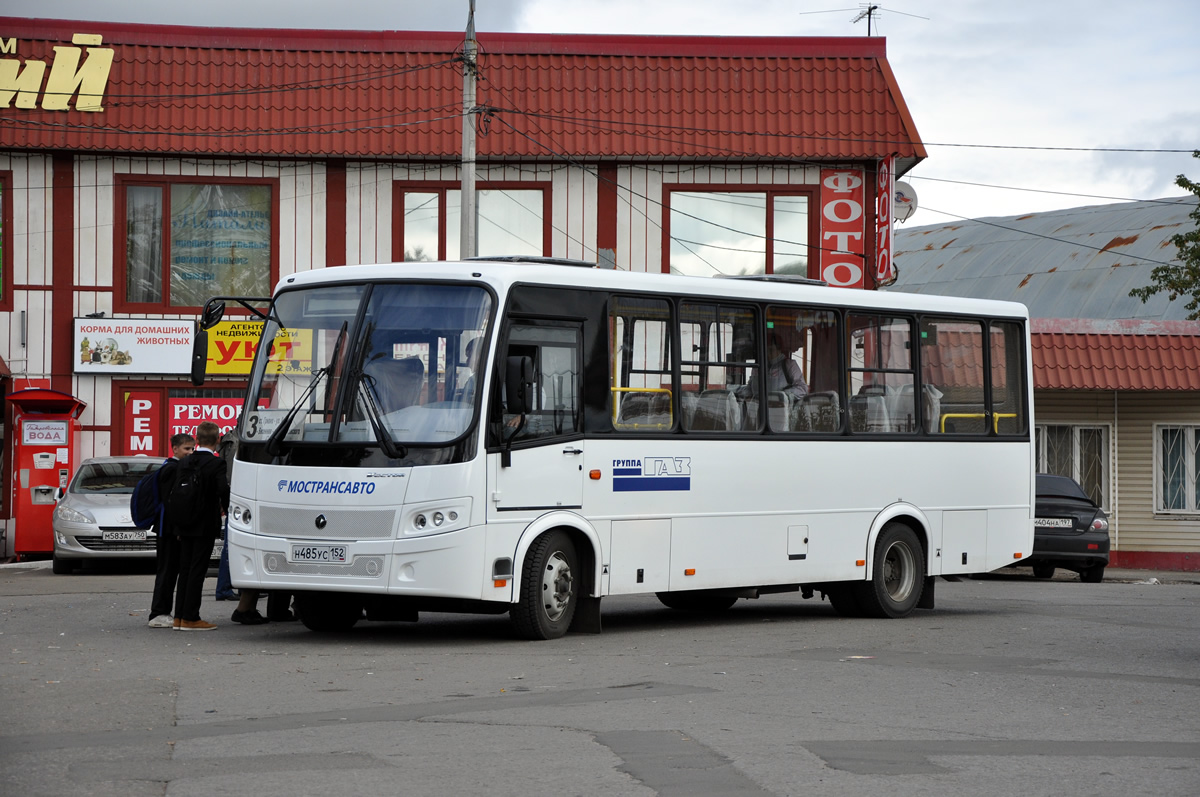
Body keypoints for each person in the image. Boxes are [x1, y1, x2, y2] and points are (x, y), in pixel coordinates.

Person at [220, 428, 295, 625]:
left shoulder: (256, 453)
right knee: (280, 561)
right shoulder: (271, 454)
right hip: (275, 515)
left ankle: (260, 608)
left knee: (272, 561)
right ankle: (252, 609)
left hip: (266, 513)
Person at [172, 421, 228, 631]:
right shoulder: (217, 464)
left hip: (184, 522)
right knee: (198, 569)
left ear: (196, 440)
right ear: (218, 440)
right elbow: (222, 489)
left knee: (185, 569)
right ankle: (191, 617)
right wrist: (229, 508)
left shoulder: (184, 462)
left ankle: (179, 617)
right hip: (204, 523)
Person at [147, 432, 195, 628]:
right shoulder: (172, 470)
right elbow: (171, 502)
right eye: (186, 449)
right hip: (167, 529)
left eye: (192, 449)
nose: (190, 452)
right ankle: (158, 613)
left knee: (171, 569)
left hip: (168, 527)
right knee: (167, 571)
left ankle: (163, 611)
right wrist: (177, 528)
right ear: (175, 448)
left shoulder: (172, 467)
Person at [764, 333, 808, 400]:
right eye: (765, 350)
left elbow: (802, 389)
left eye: (771, 350)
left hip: (782, 408)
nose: (768, 353)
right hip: (756, 407)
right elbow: (750, 387)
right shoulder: (758, 367)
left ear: (779, 350)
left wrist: (783, 395)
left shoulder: (789, 365)